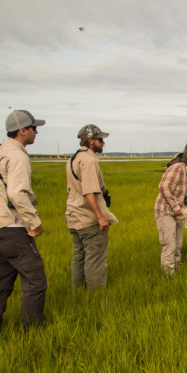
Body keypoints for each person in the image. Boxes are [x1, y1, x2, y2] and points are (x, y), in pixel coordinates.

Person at [0, 109, 48, 336]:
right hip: (12, 228)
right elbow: (17, 194)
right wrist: (34, 223)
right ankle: (34, 331)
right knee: (36, 279)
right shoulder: (18, 156)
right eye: (34, 128)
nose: (36, 133)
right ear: (22, 131)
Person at [65, 124, 118, 289]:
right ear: (89, 141)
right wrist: (100, 217)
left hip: (74, 217)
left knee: (79, 257)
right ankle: (95, 297)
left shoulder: (73, 159)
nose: (103, 143)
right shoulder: (88, 161)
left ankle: (78, 294)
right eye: (100, 139)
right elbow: (89, 192)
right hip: (89, 219)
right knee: (95, 260)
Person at [154, 142, 187, 275]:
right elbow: (164, 187)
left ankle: (177, 271)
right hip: (165, 211)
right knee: (169, 244)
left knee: (178, 244)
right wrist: (176, 208)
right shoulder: (177, 168)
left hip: (177, 213)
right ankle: (168, 276)